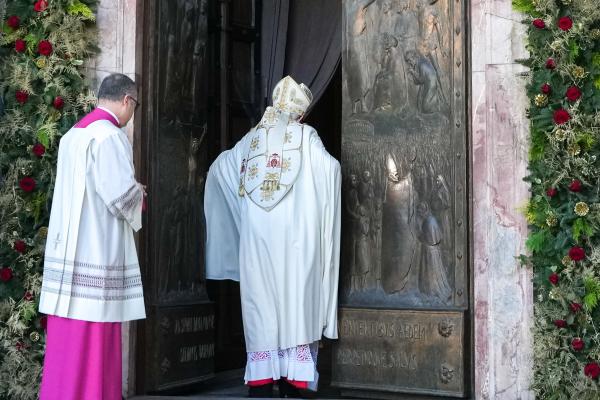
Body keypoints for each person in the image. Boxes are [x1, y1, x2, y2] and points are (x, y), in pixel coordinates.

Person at [204, 76, 341, 398]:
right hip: (297, 237)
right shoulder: (307, 136)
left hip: (257, 238)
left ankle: (263, 379)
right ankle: (296, 378)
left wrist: (242, 213)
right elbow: (330, 169)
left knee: (261, 301)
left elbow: (219, 170)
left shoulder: (250, 141)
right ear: (301, 114)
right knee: (296, 297)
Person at [38, 73, 146, 400]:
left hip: (68, 257)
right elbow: (118, 196)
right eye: (135, 105)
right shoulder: (110, 136)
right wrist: (139, 195)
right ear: (127, 100)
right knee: (95, 339)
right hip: (96, 253)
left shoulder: (73, 134)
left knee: (68, 343)